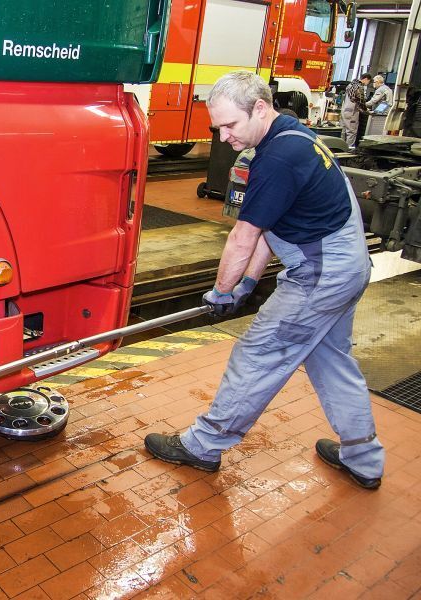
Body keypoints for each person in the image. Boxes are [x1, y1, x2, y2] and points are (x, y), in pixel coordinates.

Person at [144, 71, 385, 490]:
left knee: (258, 354)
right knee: (330, 360)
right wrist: (247, 283)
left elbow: (244, 237)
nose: (224, 138)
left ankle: (203, 445)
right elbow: (272, 231)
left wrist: (221, 291)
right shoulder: (292, 135)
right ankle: (363, 457)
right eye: (217, 128)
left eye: (231, 125)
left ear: (259, 107)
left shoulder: (276, 159)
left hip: (321, 275)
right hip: (345, 266)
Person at [340, 73, 372, 148]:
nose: (367, 84)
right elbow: (361, 100)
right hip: (352, 112)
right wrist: (365, 110)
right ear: (366, 79)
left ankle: (341, 147)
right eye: (368, 81)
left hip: (344, 110)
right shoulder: (359, 87)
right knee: (351, 132)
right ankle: (349, 149)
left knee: (343, 131)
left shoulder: (350, 85)